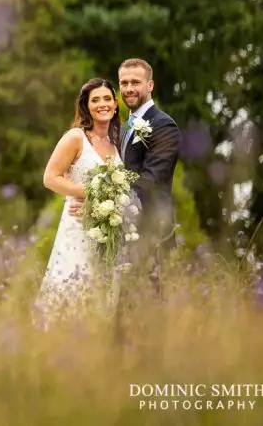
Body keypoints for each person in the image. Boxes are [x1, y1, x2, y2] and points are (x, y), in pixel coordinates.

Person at [34, 78, 122, 327]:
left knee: (101, 301)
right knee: (71, 293)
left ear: (115, 104)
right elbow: (50, 178)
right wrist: (86, 192)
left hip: (107, 234)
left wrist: (109, 204)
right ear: (86, 106)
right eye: (95, 100)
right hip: (77, 228)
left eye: (107, 99)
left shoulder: (118, 143)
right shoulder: (76, 138)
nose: (102, 104)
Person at [110, 58, 181, 304]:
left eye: (135, 82)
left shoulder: (164, 125)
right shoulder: (121, 127)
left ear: (150, 85)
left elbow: (151, 178)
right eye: (124, 83)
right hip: (124, 233)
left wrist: (107, 193)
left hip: (151, 234)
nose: (129, 88)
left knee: (148, 317)